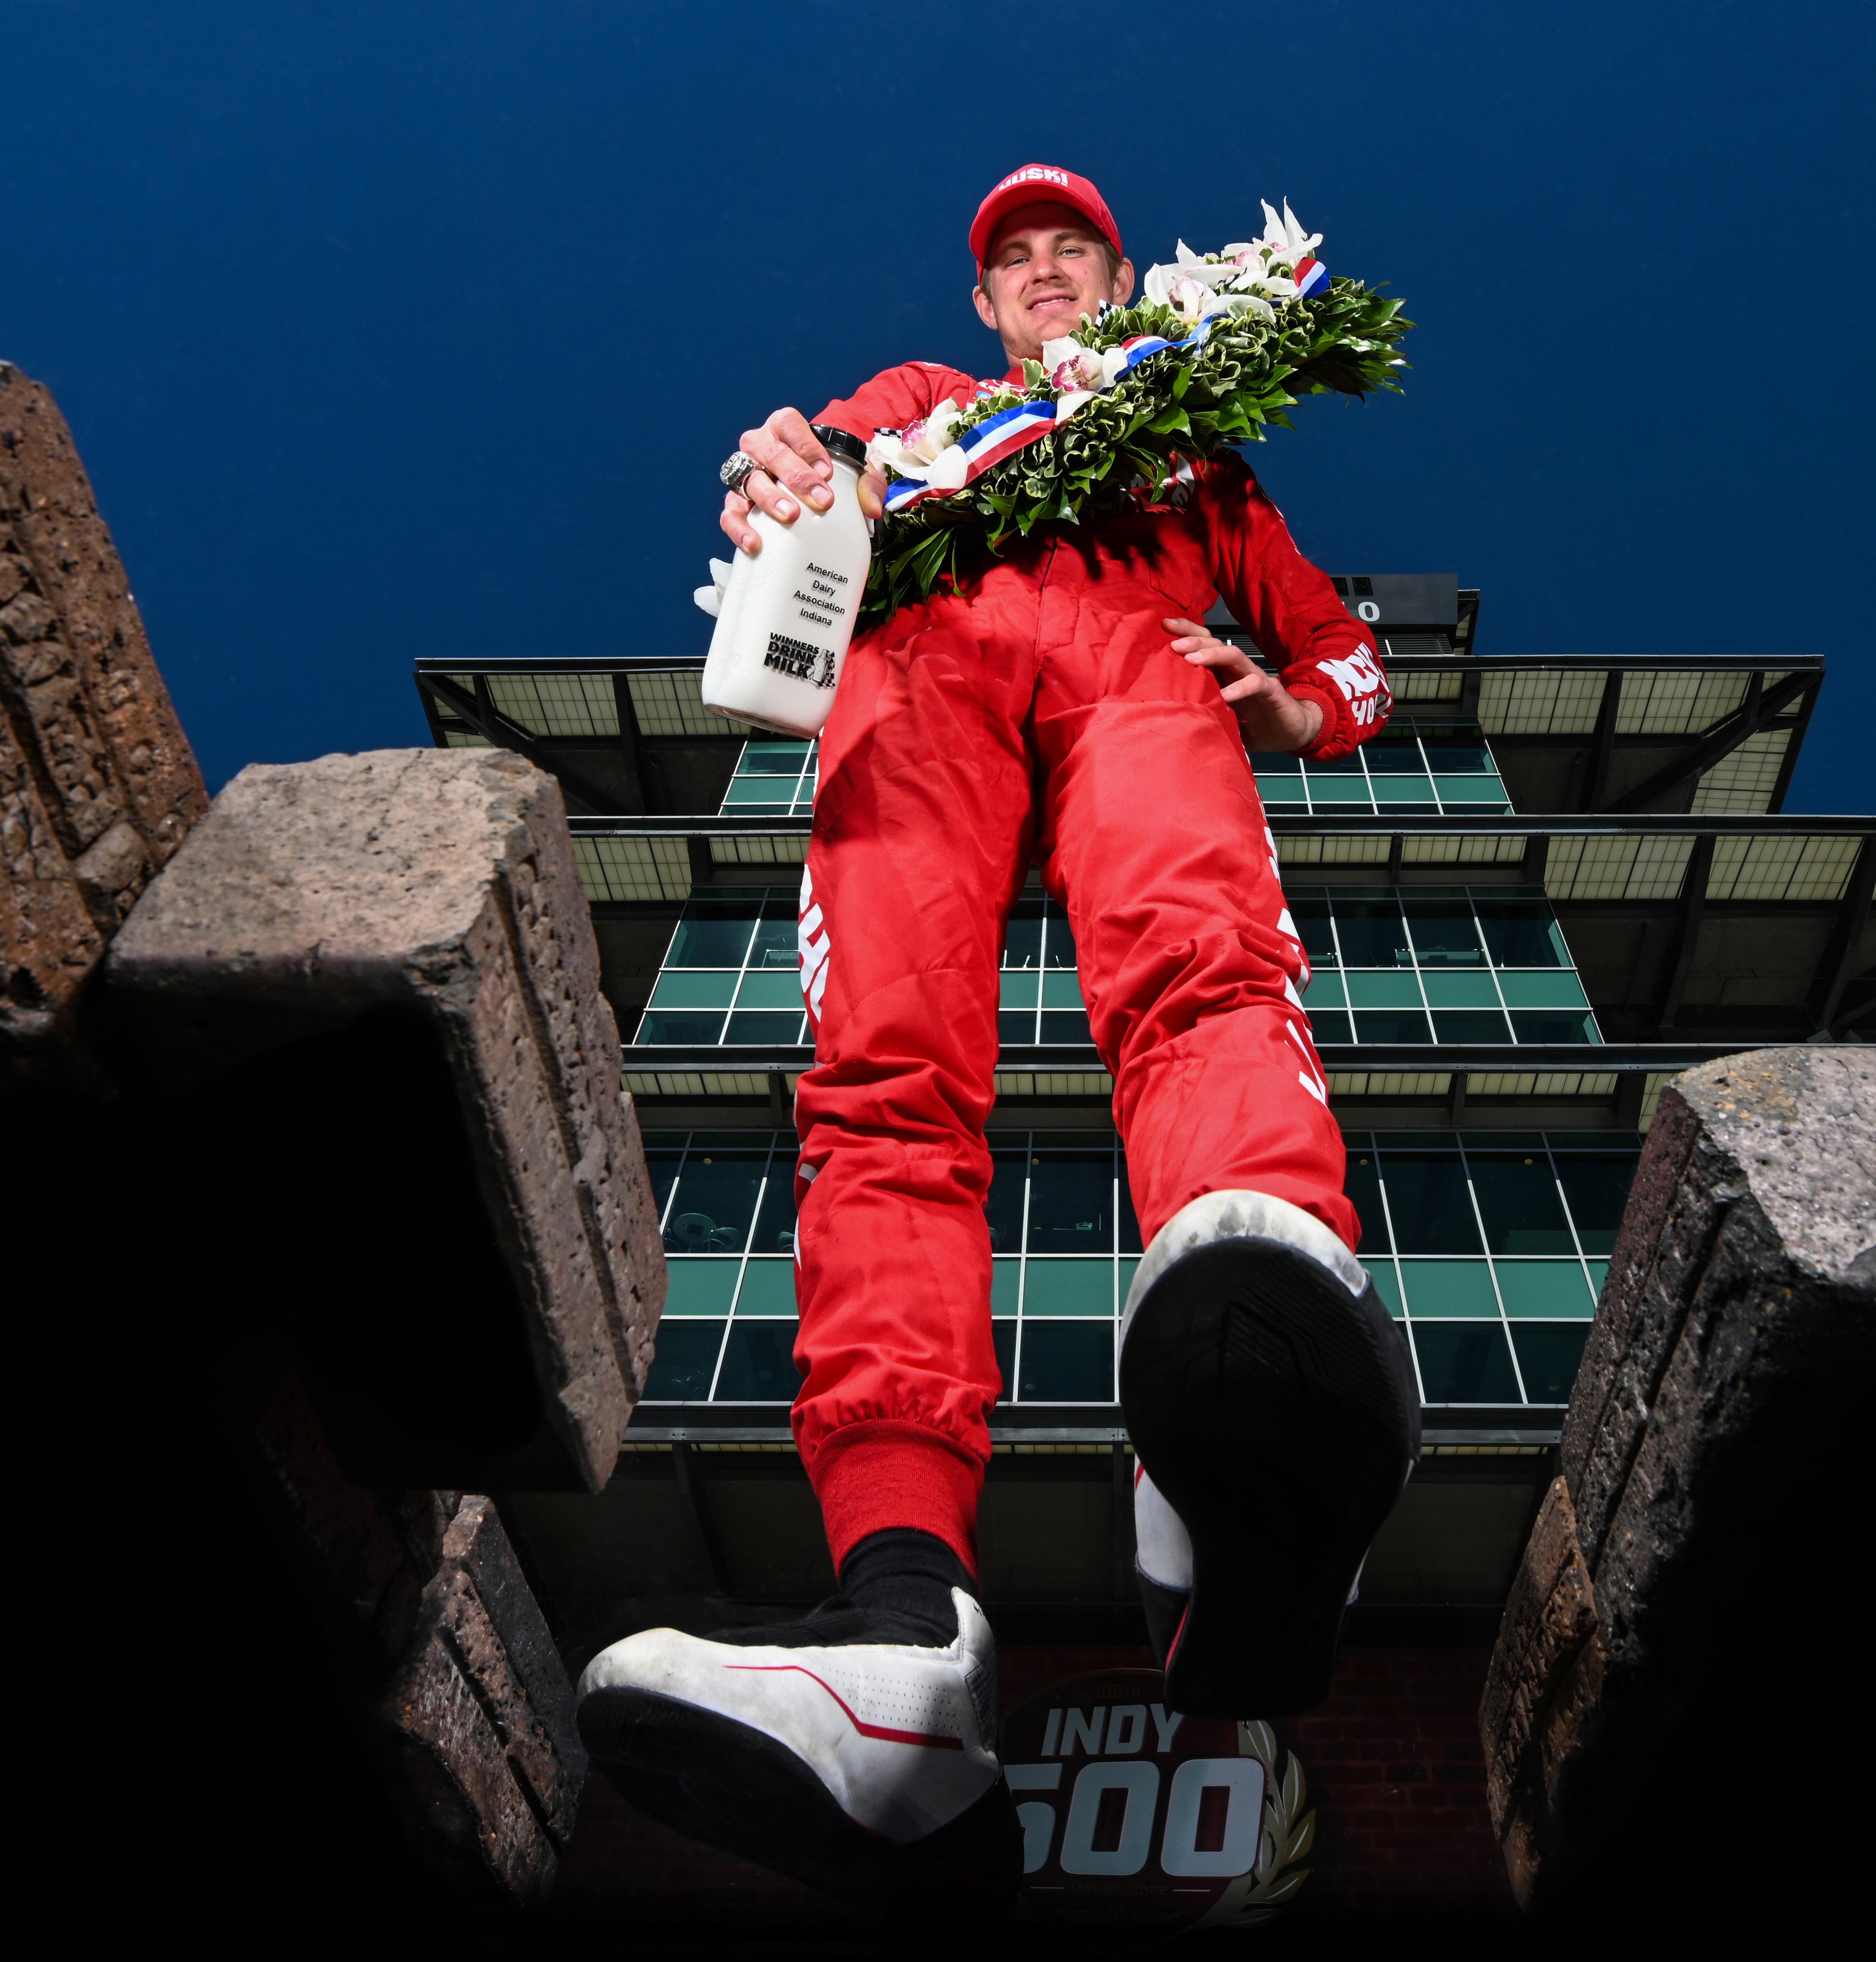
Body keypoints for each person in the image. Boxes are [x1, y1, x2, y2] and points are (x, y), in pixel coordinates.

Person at [575, 164, 1417, 1897]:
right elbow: (797, 463)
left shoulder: (1191, 439)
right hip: (917, 678)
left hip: (1141, 676)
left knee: (1206, 973)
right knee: (880, 1090)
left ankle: (1234, 1454)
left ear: (1120, 278)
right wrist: (778, 471)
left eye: (1071, 253)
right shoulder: (918, 404)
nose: (1042, 274)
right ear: (982, 302)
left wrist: (1288, 700)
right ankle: (903, 1633)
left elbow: (1353, 652)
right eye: (1014, 261)